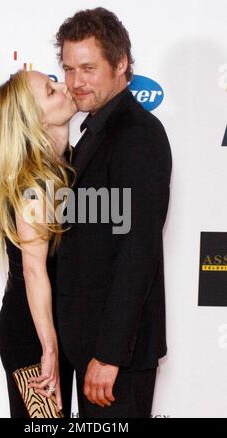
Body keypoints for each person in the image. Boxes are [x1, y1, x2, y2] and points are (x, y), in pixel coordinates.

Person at [52, 7, 172, 418]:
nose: (75, 82)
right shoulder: (92, 132)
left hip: (114, 358)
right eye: (68, 69)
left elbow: (138, 253)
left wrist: (108, 354)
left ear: (120, 64)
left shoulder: (136, 135)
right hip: (88, 350)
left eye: (88, 68)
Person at [0, 69, 76, 417]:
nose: (65, 86)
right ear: (34, 120)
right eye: (51, 91)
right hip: (32, 334)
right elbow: (34, 270)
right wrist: (48, 348)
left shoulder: (70, 164)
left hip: (56, 326)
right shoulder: (33, 181)